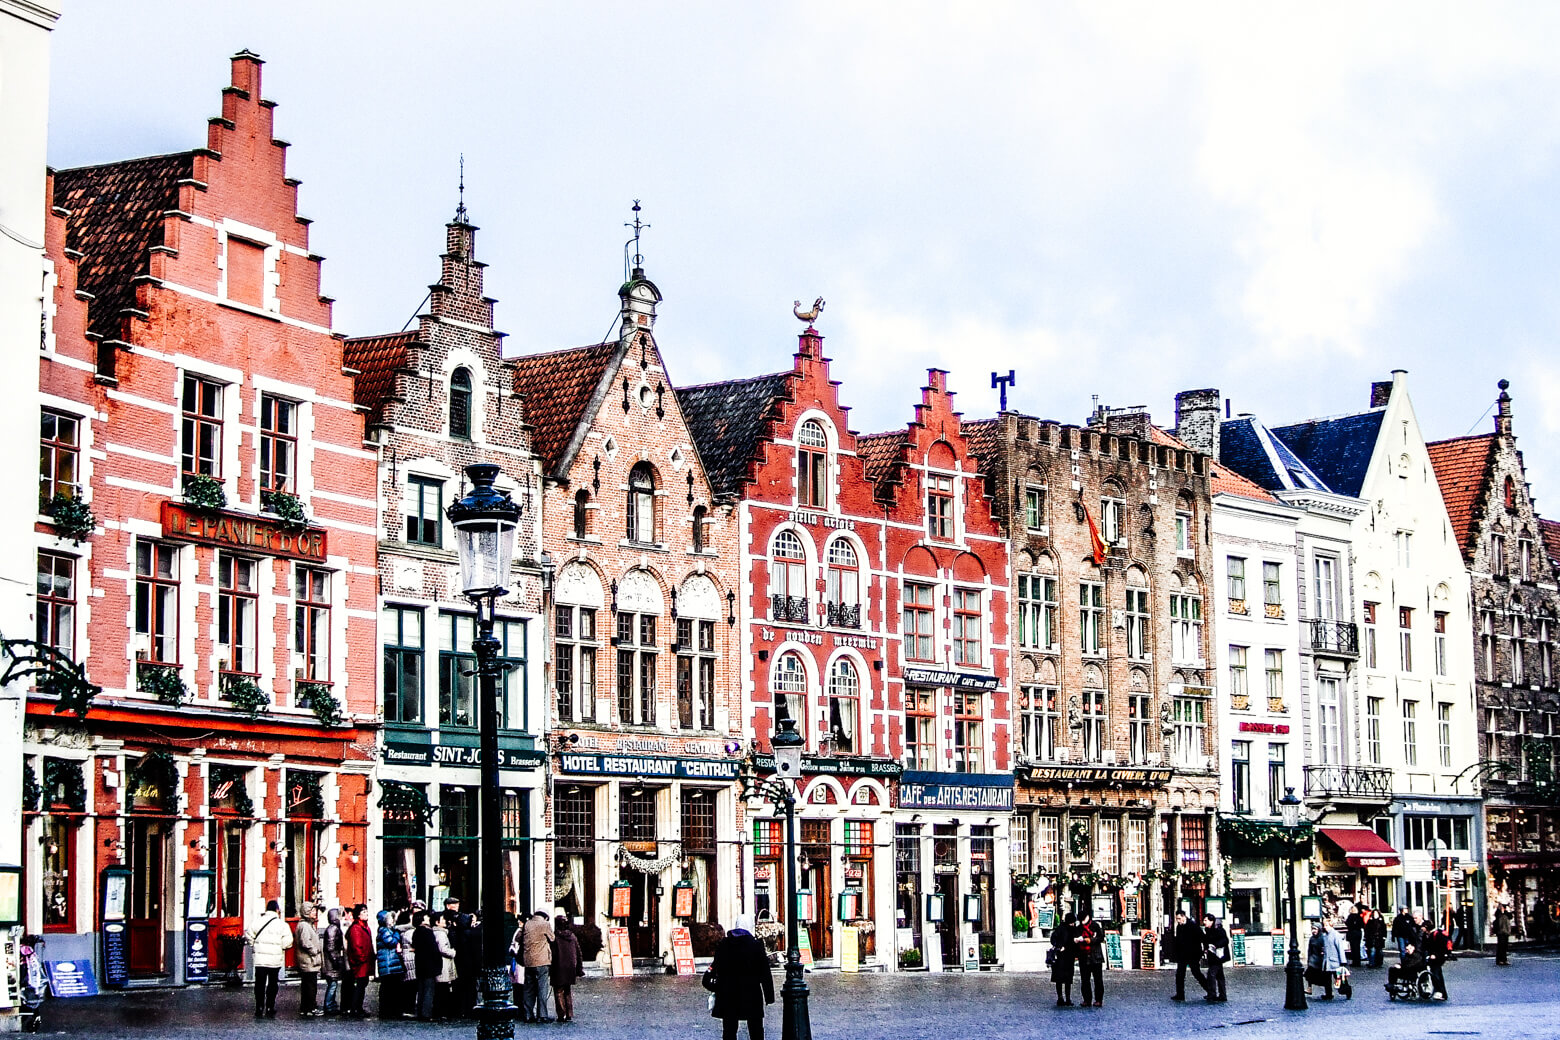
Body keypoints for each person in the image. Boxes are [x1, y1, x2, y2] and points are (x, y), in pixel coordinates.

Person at [705, 913, 774, 1040]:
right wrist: (769, 996)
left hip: (728, 993)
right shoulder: (755, 945)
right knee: (756, 1028)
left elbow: (716, 966)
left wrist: (715, 986)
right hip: (751, 993)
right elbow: (765, 973)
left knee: (729, 1029)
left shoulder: (724, 944)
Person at [246, 899, 294, 1019]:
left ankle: (259, 1007)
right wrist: (280, 947)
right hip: (275, 959)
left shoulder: (257, 922)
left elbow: (249, 935)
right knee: (273, 983)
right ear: (277, 910)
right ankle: (270, 1006)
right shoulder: (282, 925)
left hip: (260, 959)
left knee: (260, 984)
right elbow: (288, 941)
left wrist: (255, 945)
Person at [517, 909, 555, 1023]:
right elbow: (552, 938)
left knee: (529, 989)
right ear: (545, 917)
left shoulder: (528, 924)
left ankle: (528, 1014)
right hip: (542, 961)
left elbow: (520, 938)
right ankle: (542, 1015)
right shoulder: (545, 924)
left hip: (528, 961)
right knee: (542, 989)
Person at [552, 912, 585, 1024]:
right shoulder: (572, 936)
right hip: (570, 967)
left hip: (558, 967)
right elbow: (579, 952)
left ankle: (561, 1014)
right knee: (567, 991)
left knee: (558, 991)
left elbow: (552, 954)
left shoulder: (555, 937)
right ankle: (569, 1014)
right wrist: (579, 968)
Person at [1170, 910, 1209, 1002]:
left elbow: (1202, 937)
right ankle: (1180, 994)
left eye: (1179, 918)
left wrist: (1205, 949)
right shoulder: (1179, 927)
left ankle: (1210, 990)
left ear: (1184, 916)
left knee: (1196, 973)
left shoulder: (1193, 925)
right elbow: (1178, 941)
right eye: (1177, 919)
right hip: (1182, 955)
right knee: (1179, 974)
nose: (1178, 921)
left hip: (1193, 954)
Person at [376, 909, 408, 1020]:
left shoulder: (387, 930)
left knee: (391, 988)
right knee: (389, 988)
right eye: (390, 918)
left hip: (390, 964)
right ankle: (388, 1011)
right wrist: (397, 935)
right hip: (389, 964)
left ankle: (389, 1011)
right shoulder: (384, 930)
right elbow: (391, 942)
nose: (392, 920)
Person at [344, 905, 374, 1018]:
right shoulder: (356, 928)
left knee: (362, 985)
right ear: (358, 915)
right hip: (360, 963)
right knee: (359, 986)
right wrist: (362, 959)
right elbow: (356, 946)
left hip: (365, 962)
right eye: (364, 912)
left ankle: (358, 1007)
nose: (366, 914)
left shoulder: (365, 927)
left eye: (367, 911)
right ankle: (355, 1008)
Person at [294, 904, 324, 1017]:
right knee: (310, 985)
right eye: (312, 911)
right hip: (308, 960)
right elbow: (305, 942)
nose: (315, 913)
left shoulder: (308, 925)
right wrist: (314, 951)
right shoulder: (304, 926)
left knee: (308, 984)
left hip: (309, 960)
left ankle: (306, 1007)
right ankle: (310, 1007)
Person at [411, 911, 441, 1021]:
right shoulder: (427, 932)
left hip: (420, 963)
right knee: (428, 989)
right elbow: (433, 949)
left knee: (421, 988)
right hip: (429, 964)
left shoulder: (416, 932)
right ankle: (426, 1013)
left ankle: (420, 1011)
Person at [454, 912, 482, 1018]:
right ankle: (468, 1009)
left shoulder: (457, 933)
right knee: (470, 988)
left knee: (461, 988)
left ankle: (461, 1009)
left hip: (461, 963)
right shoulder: (471, 933)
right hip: (470, 965)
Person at [433, 911, 458, 1022]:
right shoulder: (441, 934)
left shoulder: (437, 932)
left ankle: (440, 1011)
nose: (445, 921)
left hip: (440, 963)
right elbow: (443, 949)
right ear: (437, 922)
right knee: (443, 989)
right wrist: (453, 952)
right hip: (443, 964)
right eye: (442, 919)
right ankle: (442, 1012)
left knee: (441, 989)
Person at [1076, 910, 1104, 1008]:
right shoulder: (1079, 928)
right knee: (1085, 979)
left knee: (1098, 979)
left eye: (1083, 919)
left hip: (1095, 956)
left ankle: (1098, 1000)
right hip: (1083, 956)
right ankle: (1087, 1000)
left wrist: (1091, 940)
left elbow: (1101, 938)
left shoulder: (1095, 925)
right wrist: (1078, 940)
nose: (1082, 922)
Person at [322, 907, 347, 1015]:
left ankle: (331, 1004)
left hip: (331, 960)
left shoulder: (333, 928)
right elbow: (331, 948)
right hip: (331, 962)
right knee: (332, 984)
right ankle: (328, 1005)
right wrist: (336, 961)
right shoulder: (333, 929)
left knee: (333, 983)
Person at [1201, 913, 1229, 1003]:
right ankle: (1222, 995)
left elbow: (1225, 940)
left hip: (1218, 955)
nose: (1204, 922)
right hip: (1212, 955)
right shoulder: (1207, 930)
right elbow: (1206, 940)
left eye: (1206, 920)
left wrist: (1216, 945)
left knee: (1211, 974)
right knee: (1219, 975)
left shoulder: (1218, 929)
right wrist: (1206, 948)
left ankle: (1212, 994)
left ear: (1211, 921)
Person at [1050, 912, 1076, 1006]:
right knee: (1061, 978)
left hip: (1067, 957)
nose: (1073, 924)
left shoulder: (1067, 929)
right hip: (1062, 957)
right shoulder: (1062, 929)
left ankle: (1066, 998)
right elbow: (1053, 939)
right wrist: (1059, 946)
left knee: (1066, 979)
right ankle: (1062, 998)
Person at [1422, 920, 1451, 1000]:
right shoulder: (1426, 935)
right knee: (1434, 973)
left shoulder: (1436, 934)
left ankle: (1441, 992)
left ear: (1426, 928)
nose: (1422, 929)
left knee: (1436, 973)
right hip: (1432, 956)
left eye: (1423, 927)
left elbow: (1441, 947)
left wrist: (1436, 955)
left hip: (1438, 957)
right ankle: (1438, 991)